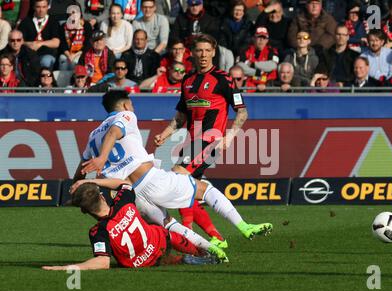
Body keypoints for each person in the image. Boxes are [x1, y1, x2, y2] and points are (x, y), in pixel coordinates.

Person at [76, 90, 272, 263]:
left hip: (131, 194)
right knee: (205, 189)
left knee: (168, 223)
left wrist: (77, 182)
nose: (133, 108)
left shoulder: (93, 135)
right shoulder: (126, 115)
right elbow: (114, 132)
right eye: (132, 105)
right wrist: (102, 158)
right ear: (126, 104)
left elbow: (83, 165)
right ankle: (244, 226)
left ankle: (211, 249)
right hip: (150, 180)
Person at [154, 34, 270, 248]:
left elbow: (242, 112)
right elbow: (181, 116)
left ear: (214, 52)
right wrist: (165, 133)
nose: (204, 55)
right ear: (193, 53)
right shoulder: (187, 81)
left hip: (210, 139)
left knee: (177, 180)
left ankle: (187, 236)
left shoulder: (223, 79)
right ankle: (220, 236)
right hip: (192, 142)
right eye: (199, 50)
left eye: (208, 50)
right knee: (189, 189)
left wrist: (230, 136)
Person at [42, 180, 215, 270]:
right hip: (159, 241)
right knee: (164, 232)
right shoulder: (122, 201)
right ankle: (200, 253)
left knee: (159, 256)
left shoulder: (98, 231)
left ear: (84, 211)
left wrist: (67, 267)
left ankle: (180, 260)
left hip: (141, 263)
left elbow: (102, 262)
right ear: (102, 197)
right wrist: (96, 181)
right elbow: (124, 183)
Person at [18, 0, 61, 69]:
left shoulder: (53, 21)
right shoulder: (26, 21)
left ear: (48, 7)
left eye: (44, 7)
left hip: (47, 54)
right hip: (29, 54)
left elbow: (56, 42)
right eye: (38, 7)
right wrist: (29, 44)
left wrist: (39, 44)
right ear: (34, 7)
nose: (41, 10)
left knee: (46, 61)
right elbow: (19, 41)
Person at [237, 26, 279, 92]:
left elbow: (273, 65)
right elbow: (239, 66)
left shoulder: (272, 51)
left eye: (264, 38)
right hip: (249, 84)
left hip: (268, 84)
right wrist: (257, 72)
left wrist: (253, 64)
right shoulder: (245, 50)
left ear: (267, 40)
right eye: (259, 37)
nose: (261, 40)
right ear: (253, 38)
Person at [59, 4, 93, 71]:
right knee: (62, 59)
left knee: (75, 61)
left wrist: (74, 55)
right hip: (67, 53)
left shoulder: (86, 25)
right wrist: (69, 55)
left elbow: (87, 44)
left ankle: (74, 80)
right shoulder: (63, 26)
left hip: (81, 53)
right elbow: (62, 44)